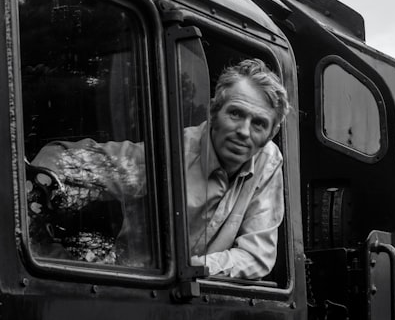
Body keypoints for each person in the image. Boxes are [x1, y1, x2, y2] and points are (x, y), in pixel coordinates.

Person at [28, 58, 289, 280]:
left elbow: (256, 255)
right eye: (235, 114)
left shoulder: (268, 160)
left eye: (258, 123)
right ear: (213, 111)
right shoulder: (171, 153)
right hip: (139, 285)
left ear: (271, 133)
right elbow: (64, 162)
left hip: (196, 297)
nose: (244, 131)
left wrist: (198, 267)